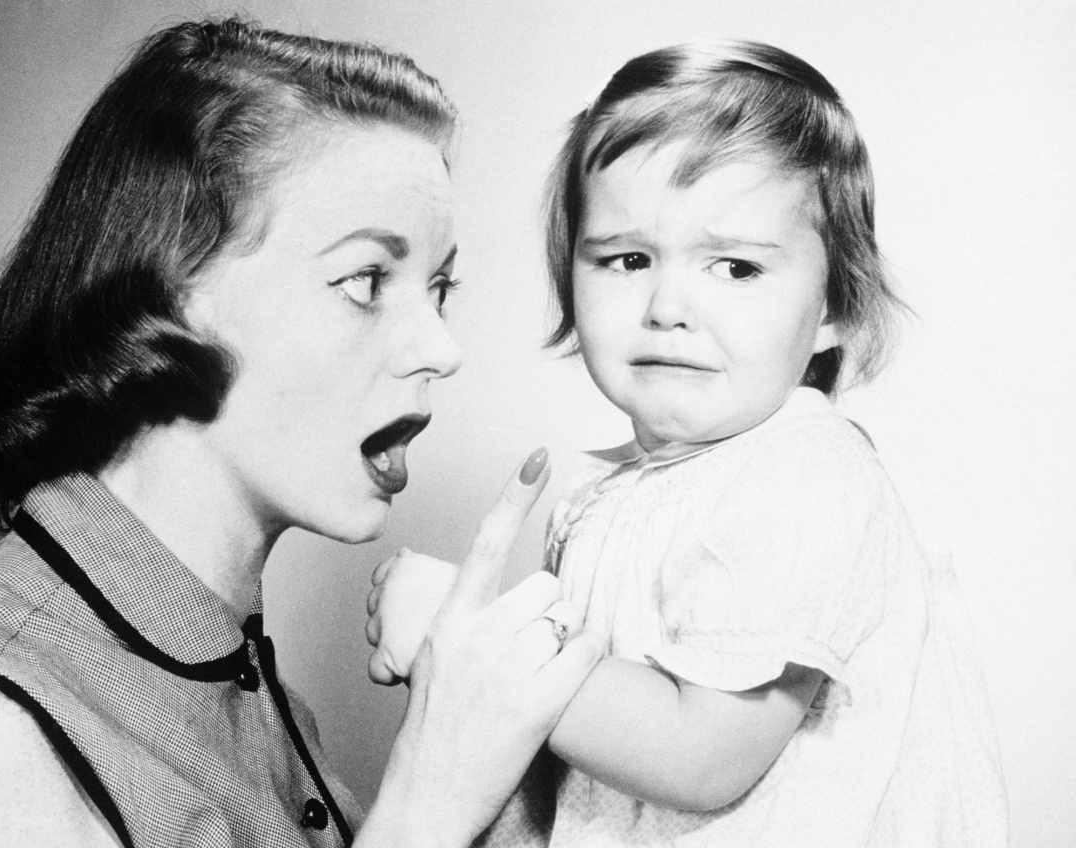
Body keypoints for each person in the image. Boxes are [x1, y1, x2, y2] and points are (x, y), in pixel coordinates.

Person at [0, 18, 604, 848]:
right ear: (173, 283)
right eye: (367, 279)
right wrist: (428, 800)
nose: (442, 347)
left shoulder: (244, 683)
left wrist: (513, 760)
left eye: (438, 287)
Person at [367, 41, 1009, 845]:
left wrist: (471, 640)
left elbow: (699, 757)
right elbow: (584, 781)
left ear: (837, 303)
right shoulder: (615, 497)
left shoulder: (805, 475)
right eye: (628, 259)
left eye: (735, 268)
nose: (669, 304)